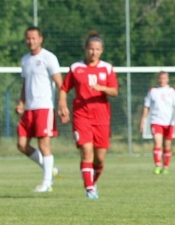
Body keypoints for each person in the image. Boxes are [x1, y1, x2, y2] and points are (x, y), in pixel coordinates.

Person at [58, 31, 119, 199]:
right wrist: (62, 105)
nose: (94, 52)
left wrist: (102, 88)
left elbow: (114, 91)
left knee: (99, 159)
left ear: (102, 51)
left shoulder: (107, 68)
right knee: (86, 151)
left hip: (101, 118)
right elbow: (64, 89)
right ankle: (90, 188)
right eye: (91, 49)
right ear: (85, 49)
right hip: (81, 116)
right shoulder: (76, 68)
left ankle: (92, 182)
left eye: (97, 49)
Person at [16, 26, 63, 193]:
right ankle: (50, 170)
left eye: (34, 38)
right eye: (28, 38)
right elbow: (25, 84)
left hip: (44, 107)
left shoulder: (48, 57)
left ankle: (47, 183)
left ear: (40, 39)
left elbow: (60, 84)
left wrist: (62, 105)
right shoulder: (25, 60)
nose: (31, 41)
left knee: (44, 145)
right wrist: (21, 102)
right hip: (29, 109)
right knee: (21, 144)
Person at [139, 71, 175, 175]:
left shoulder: (172, 91)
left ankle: (166, 167)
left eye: (164, 78)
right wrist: (142, 120)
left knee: (167, 145)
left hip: (169, 122)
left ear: (167, 79)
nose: (162, 80)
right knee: (157, 142)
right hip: (156, 121)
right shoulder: (152, 91)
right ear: (158, 79)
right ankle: (157, 166)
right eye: (160, 78)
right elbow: (146, 107)